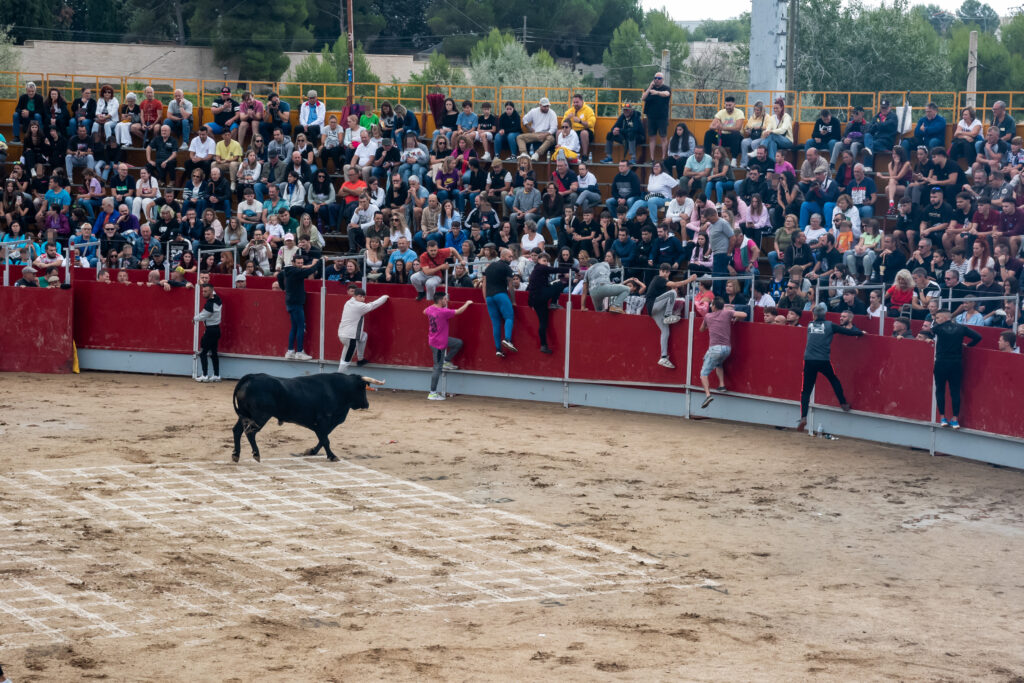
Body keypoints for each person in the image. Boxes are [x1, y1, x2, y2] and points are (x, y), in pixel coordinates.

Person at [795, 303, 865, 432]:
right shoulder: (830, 325)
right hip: (823, 360)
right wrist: (860, 332)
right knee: (833, 380)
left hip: (809, 360)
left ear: (814, 315)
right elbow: (847, 332)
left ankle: (803, 417)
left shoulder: (810, 325)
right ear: (825, 315)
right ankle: (843, 403)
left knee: (806, 391)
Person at [931, 307, 982, 429]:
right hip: (956, 363)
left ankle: (943, 417)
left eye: (938, 318)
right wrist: (968, 345)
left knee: (940, 390)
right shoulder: (961, 328)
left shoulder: (937, 328)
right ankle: (955, 419)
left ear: (944, 318)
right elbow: (978, 337)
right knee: (955, 390)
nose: (936, 320)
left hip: (941, 362)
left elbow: (930, 331)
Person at [699, 296, 748, 408]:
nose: (711, 306)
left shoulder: (708, 316)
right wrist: (735, 319)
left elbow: (701, 329)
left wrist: (709, 325)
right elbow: (744, 315)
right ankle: (722, 385)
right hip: (727, 349)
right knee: (718, 363)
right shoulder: (727, 313)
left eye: (711, 305)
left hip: (715, 348)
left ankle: (707, 395)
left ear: (714, 306)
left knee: (703, 373)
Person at [646, 266, 698, 369]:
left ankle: (663, 356)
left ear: (669, 273)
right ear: (660, 271)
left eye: (667, 272)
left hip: (654, 310)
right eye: (663, 271)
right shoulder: (658, 278)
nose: (664, 274)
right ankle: (668, 315)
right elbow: (675, 285)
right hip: (653, 306)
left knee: (665, 331)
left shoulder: (660, 280)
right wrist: (690, 279)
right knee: (673, 292)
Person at [425, 292, 472, 400]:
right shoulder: (443, 312)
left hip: (436, 339)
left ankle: (446, 361)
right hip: (439, 344)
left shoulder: (430, 308)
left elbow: (424, 312)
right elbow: (459, 311)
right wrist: (467, 303)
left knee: (458, 343)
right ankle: (432, 393)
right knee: (437, 367)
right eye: (445, 299)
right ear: (440, 300)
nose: (447, 301)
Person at [527, 251, 574, 353]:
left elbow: (531, 287)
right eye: (544, 260)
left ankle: (543, 345)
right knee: (559, 283)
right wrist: (571, 269)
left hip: (537, 300)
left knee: (543, 323)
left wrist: (531, 302)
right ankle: (553, 302)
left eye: (547, 261)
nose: (546, 262)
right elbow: (555, 269)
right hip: (540, 296)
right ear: (539, 260)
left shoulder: (537, 270)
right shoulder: (540, 268)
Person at [275, 253, 321, 360]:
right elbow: (309, 271)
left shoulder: (288, 271)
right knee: (300, 327)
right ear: (293, 263)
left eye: (301, 263)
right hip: (296, 303)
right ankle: (299, 352)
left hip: (291, 302)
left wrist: (283, 288)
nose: (300, 265)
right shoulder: (295, 271)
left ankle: (290, 351)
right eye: (298, 263)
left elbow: (279, 276)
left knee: (295, 327)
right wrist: (319, 262)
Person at [337, 288, 389, 372]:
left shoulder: (348, 302)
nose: (363, 299)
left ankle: (360, 359)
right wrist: (384, 297)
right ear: (356, 296)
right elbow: (373, 305)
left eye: (364, 297)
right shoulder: (359, 306)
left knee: (364, 336)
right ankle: (339, 377)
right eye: (361, 297)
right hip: (350, 337)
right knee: (346, 360)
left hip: (344, 334)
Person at [483, 248, 519, 357]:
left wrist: (486, 299)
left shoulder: (489, 267)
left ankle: (498, 349)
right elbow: (511, 285)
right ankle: (507, 339)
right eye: (510, 257)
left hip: (489, 297)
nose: (511, 259)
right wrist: (513, 301)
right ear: (502, 257)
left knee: (496, 324)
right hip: (501, 295)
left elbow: (484, 285)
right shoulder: (506, 267)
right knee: (509, 317)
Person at [193, 282, 223, 382]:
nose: (203, 293)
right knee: (214, 353)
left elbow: (203, 315)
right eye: (203, 291)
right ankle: (216, 375)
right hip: (216, 329)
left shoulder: (210, 304)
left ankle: (205, 375)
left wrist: (194, 319)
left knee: (203, 353)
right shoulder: (217, 298)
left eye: (205, 291)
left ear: (210, 292)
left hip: (210, 331)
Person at [641, 72, 671, 160]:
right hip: (651, 116)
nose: (657, 80)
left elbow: (666, 94)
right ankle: (652, 158)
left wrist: (657, 92)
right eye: (655, 78)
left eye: (659, 78)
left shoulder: (666, 88)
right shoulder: (650, 88)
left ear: (662, 80)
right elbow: (643, 98)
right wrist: (650, 87)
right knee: (652, 137)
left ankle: (663, 157)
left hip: (662, 117)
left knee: (663, 137)